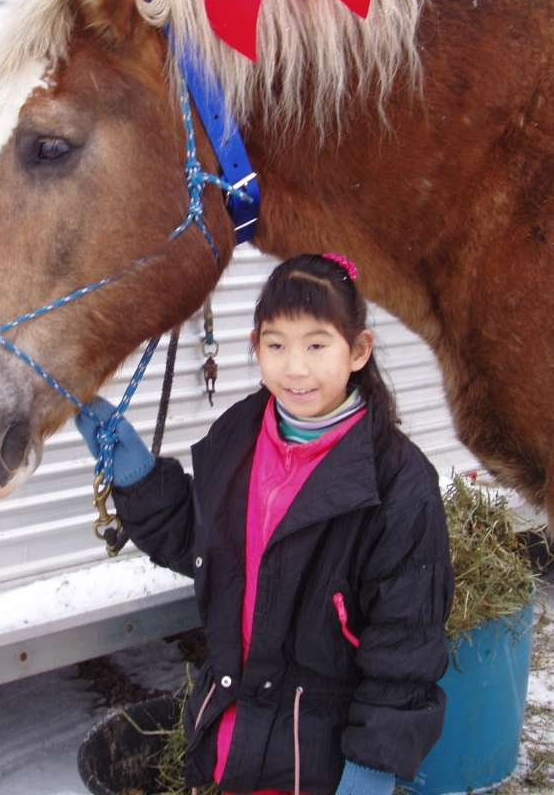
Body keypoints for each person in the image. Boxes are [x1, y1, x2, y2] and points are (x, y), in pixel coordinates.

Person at [77, 253, 454, 795]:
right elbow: (197, 541)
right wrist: (136, 475)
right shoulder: (240, 435)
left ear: (359, 350)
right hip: (225, 746)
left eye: (317, 344)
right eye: (276, 345)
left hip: (317, 766)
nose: (295, 368)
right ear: (256, 347)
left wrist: (372, 768)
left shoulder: (396, 481)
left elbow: (405, 647)